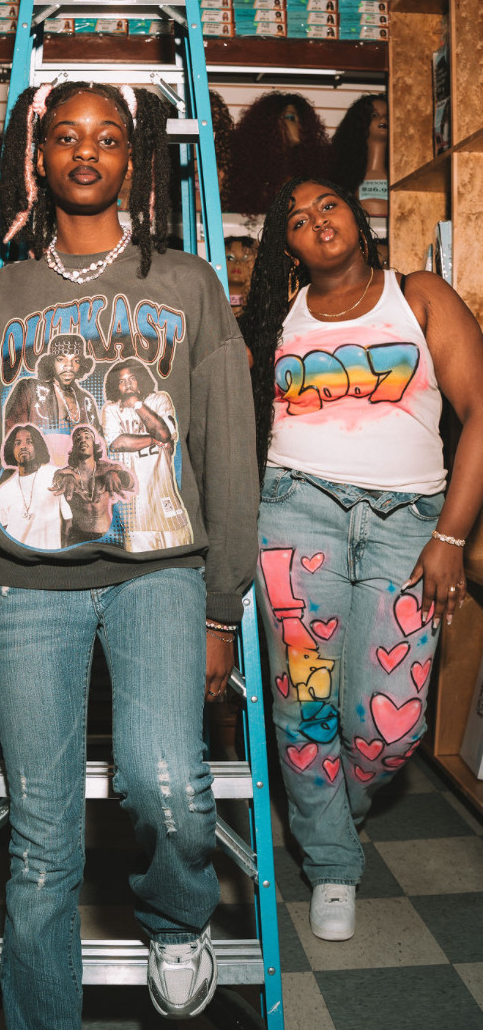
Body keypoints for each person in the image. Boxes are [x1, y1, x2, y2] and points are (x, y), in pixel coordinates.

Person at [0, 80, 258, 1026]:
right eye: (68, 137)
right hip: (31, 590)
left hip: (159, 574)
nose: (88, 152)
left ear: (135, 161)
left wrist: (223, 604)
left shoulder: (187, 286)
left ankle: (176, 921)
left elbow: (227, 449)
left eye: (111, 138)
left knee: (164, 779)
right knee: (40, 843)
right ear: (39, 159)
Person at [241, 177, 483, 944]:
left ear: (359, 215)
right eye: (299, 219)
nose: (317, 221)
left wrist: (450, 536)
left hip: (409, 523)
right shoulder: (278, 318)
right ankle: (333, 863)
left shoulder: (419, 296)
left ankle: (338, 808)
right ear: (291, 246)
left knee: (392, 726)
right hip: (294, 508)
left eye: (328, 206)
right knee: (303, 701)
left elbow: (480, 411)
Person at [102, 357, 193, 551]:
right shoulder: (111, 410)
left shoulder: (159, 399)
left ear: (140, 379)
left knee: (178, 564)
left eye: (132, 378)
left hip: (166, 504)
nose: (127, 384)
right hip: (136, 515)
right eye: (121, 381)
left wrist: (137, 404)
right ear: (115, 386)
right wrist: (153, 441)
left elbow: (163, 433)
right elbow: (118, 443)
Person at [228, 92, 332, 216]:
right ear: (270, 123)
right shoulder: (249, 172)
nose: (299, 125)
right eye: (291, 118)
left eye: (301, 119)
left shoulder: (311, 170)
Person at [4, 331, 102, 435]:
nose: (69, 366)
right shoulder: (30, 389)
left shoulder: (86, 401)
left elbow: (99, 441)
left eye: (76, 360)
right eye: (61, 359)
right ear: (51, 362)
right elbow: (10, 431)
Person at [50, 423, 136, 542]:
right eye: (78, 439)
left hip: (107, 534)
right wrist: (66, 479)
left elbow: (131, 482)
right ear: (74, 447)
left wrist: (117, 475)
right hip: (78, 535)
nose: (82, 440)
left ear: (93, 444)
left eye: (87, 437)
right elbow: (56, 478)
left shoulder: (107, 468)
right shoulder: (68, 472)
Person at [0, 422, 72, 548]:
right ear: (11, 450)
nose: (23, 447)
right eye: (17, 443)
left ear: (38, 446)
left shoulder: (55, 475)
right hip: (18, 561)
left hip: (51, 558)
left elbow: (69, 521)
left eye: (29, 442)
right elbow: (2, 533)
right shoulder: (4, 491)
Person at [331, 94, 389, 218]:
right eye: (374, 115)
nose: (383, 120)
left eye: (387, 116)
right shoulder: (344, 177)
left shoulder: (404, 176)